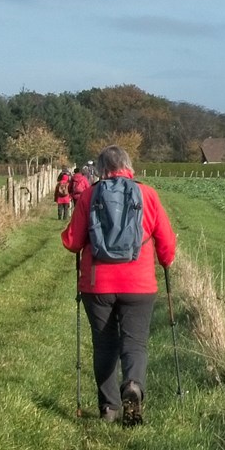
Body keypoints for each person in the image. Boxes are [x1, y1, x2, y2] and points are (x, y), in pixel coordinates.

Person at [63, 144, 176, 424]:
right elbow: (166, 241)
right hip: (139, 283)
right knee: (134, 343)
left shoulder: (90, 195)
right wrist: (165, 260)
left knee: (104, 345)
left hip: (97, 284)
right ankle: (133, 385)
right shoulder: (147, 194)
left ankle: (109, 408)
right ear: (129, 166)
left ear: (101, 169)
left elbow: (72, 241)